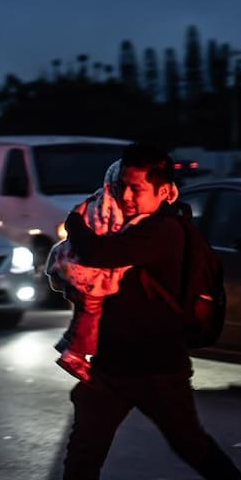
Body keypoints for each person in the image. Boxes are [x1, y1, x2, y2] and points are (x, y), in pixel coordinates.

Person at [10, 141, 241, 480]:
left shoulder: (163, 231)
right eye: (123, 186)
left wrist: (75, 224)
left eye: (137, 189)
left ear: (162, 190)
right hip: (113, 363)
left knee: (191, 444)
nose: (128, 196)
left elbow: (99, 254)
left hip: (157, 365)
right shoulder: (125, 224)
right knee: (84, 451)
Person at [46, 159, 141, 382]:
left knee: (86, 312)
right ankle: (74, 353)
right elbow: (103, 246)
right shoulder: (106, 207)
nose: (128, 195)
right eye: (123, 187)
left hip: (74, 266)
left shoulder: (93, 203)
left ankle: (71, 344)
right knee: (91, 310)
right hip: (85, 270)